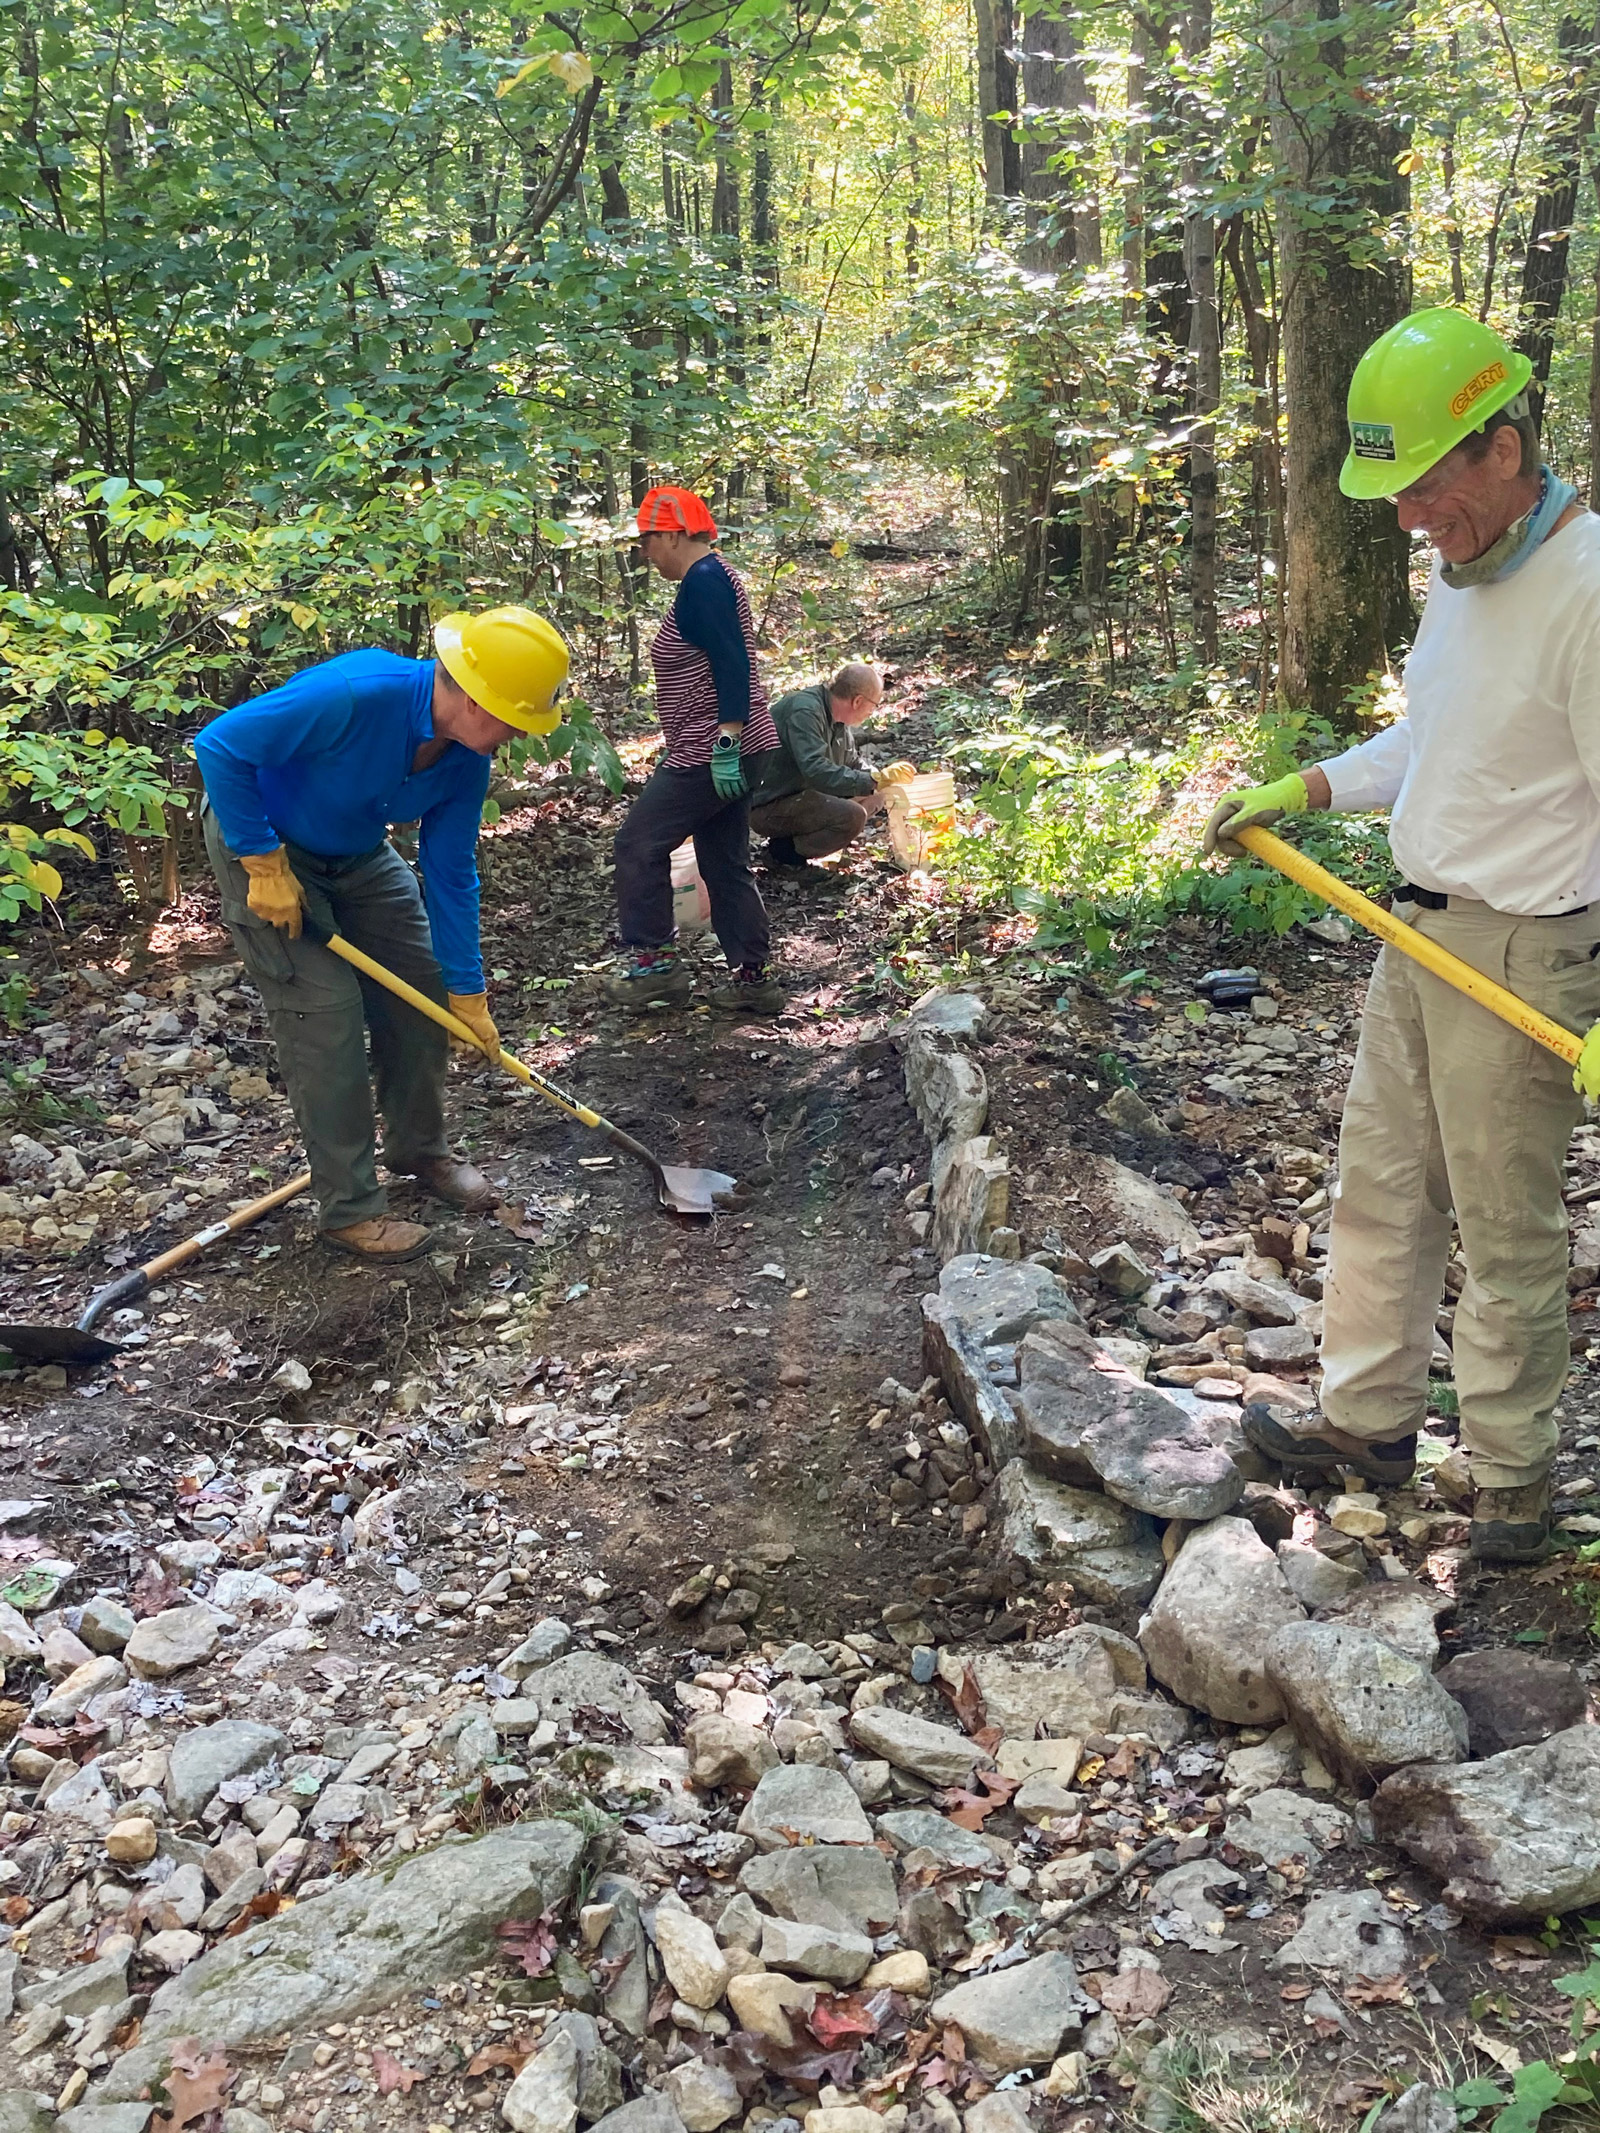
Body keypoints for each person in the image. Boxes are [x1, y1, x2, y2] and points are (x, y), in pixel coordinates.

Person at [1204, 306, 1600, 1564]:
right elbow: (1436, 736)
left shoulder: (1586, 591)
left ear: (1500, 444)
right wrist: (1312, 787)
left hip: (1523, 953)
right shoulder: (1465, 570)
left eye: (1425, 486)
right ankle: (1367, 1421)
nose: (1407, 519)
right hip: (1415, 935)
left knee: (1504, 1227)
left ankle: (1513, 1488)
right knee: (1377, 1189)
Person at [195, 606, 569, 1265]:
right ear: (479, 701)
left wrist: (467, 991)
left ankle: (418, 1149)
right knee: (326, 1013)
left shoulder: (465, 758)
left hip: (359, 855)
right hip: (263, 841)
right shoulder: (354, 696)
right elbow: (221, 745)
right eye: (516, 718)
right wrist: (260, 858)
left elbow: (451, 871)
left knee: (421, 988)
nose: (516, 734)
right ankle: (349, 1211)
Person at [604, 485, 785, 1014]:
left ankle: (653, 966)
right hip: (732, 745)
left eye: (648, 540)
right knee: (723, 860)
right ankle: (753, 980)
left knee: (637, 844)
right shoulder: (714, 578)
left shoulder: (705, 581)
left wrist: (726, 737)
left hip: (714, 747)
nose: (645, 552)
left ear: (677, 534)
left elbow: (733, 661)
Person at [747, 663, 915, 869]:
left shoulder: (838, 721)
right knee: (853, 816)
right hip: (769, 803)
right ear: (858, 701)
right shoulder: (805, 711)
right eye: (873, 705)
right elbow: (816, 771)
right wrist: (872, 780)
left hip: (802, 795)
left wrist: (879, 777)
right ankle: (784, 854)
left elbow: (851, 763)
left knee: (878, 795)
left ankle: (788, 845)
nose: (872, 712)